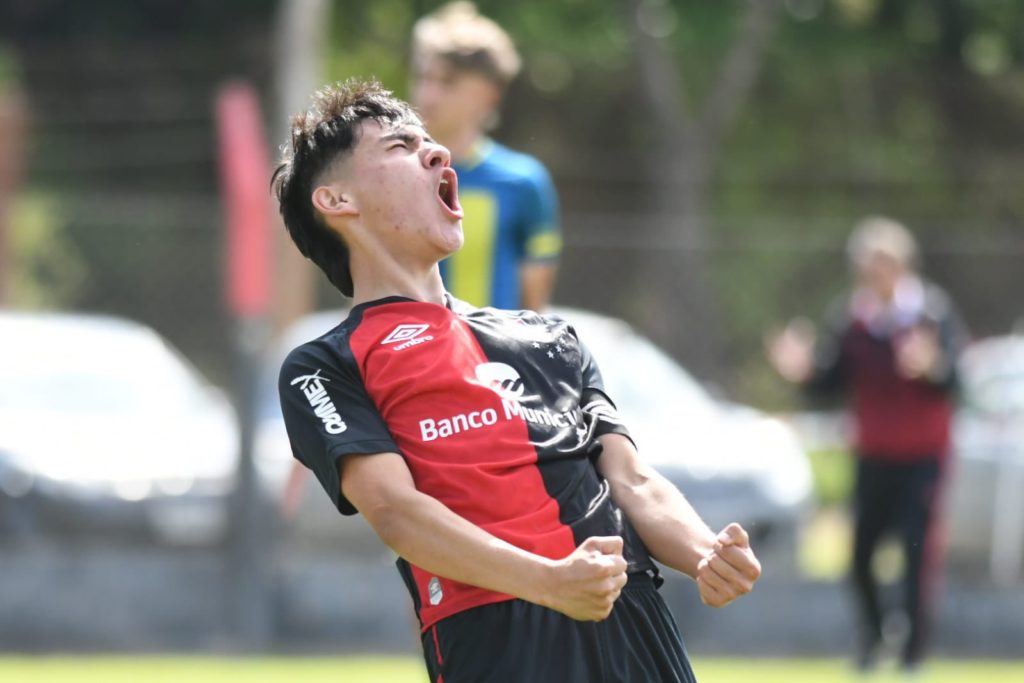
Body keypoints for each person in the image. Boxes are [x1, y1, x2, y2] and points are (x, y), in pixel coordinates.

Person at [272, 78, 761, 683]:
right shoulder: (325, 365)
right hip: (497, 629)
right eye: (400, 146)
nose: (437, 153)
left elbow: (630, 478)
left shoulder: (550, 336)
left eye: (429, 142)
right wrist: (549, 581)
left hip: (630, 613)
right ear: (336, 200)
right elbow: (396, 512)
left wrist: (705, 552)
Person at [767, 216, 968, 672]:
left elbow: (956, 381)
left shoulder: (932, 313)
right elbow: (830, 381)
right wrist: (803, 372)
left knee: (916, 554)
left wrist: (932, 368)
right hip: (873, 454)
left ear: (901, 266)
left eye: (881, 267)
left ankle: (913, 656)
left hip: (923, 456)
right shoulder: (853, 319)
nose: (873, 277)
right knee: (861, 555)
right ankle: (873, 639)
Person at [410, 1, 560, 311]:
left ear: (489, 94)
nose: (428, 94)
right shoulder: (389, 175)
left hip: (493, 346)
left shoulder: (524, 182)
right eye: (424, 77)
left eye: (448, 81)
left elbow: (534, 312)